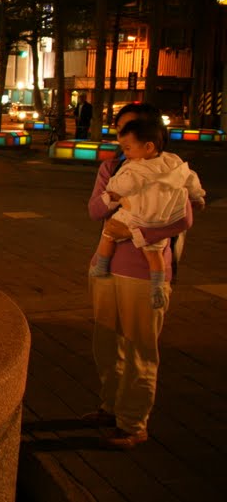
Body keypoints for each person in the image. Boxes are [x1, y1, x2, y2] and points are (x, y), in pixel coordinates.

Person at [83, 102, 197, 450]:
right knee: (106, 342)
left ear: (151, 138)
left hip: (143, 275)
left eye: (130, 134)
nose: (123, 142)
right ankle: (111, 406)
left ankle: (133, 424)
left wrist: (133, 234)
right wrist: (118, 198)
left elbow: (183, 220)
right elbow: (95, 210)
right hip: (105, 269)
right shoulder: (113, 167)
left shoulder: (170, 172)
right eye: (120, 134)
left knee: (139, 350)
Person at [88, 118, 205, 281]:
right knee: (154, 253)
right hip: (156, 219)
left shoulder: (134, 167)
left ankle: (101, 265)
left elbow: (184, 220)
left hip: (137, 263)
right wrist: (198, 195)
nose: (125, 152)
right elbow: (189, 177)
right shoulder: (174, 163)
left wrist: (113, 194)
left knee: (109, 233)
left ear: (148, 145)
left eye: (127, 147)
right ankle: (157, 285)